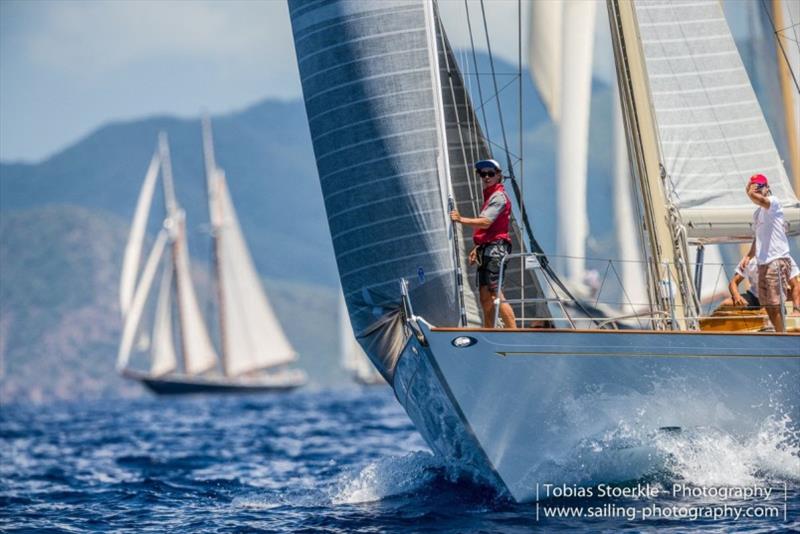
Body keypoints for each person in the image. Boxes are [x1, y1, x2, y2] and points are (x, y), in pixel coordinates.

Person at [449, 159, 517, 329]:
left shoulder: (499, 197)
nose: (486, 177)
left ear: (499, 175)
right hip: (487, 249)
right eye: (482, 173)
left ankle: (514, 333)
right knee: (485, 297)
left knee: (495, 294)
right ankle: (489, 332)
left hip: (496, 250)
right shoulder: (490, 195)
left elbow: (486, 222)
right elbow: (489, 229)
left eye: (491, 173)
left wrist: (460, 219)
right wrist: (478, 247)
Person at [738, 173, 798, 331]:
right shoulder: (757, 214)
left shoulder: (773, 202)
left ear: (766, 188)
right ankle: (779, 332)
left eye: (759, 186)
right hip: (763, 263)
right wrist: (749, 255)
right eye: (754, 186)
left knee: (775, 303)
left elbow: (760, 200)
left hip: (777, 260)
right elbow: (758, 238)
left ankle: (781, 335)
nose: (757, 190)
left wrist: (751, 193)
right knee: (768, 304)